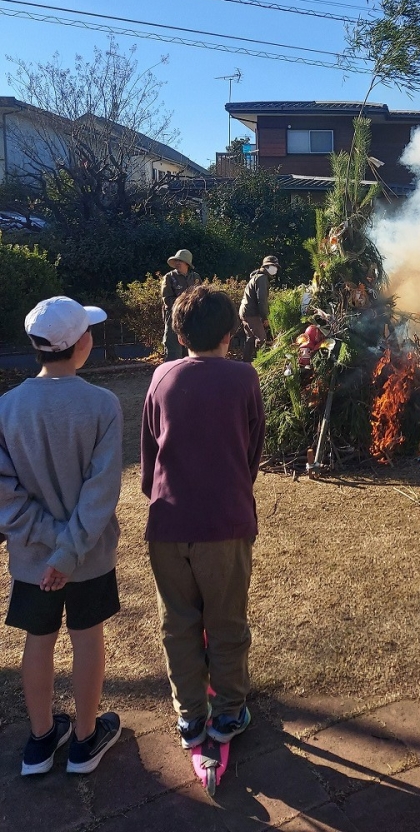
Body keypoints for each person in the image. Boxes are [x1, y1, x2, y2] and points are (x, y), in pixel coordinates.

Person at [0, 296, 123, 776]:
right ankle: (86, 741)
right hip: (87, 556)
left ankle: (40, 741)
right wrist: (69, 550)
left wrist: (51, 547)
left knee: (39, 638)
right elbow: (101, 491)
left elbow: (6, 497)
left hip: (33, 559)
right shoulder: (102, 404)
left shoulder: (7, 408)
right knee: (87, 638)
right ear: (83, 344)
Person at [141, 286, 266, 750]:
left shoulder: (160, 377)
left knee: (178, 623)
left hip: (168, 522)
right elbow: (253, 449)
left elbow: (149, 453)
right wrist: (234, 488)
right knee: (227, 620)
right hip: (225, 520)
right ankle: (229, 710)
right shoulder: (243, 379)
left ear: (178, 331)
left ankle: (190, 715)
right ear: (230, 333)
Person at [160, 248, 201, 361]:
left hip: (191, 318)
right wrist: (185, 304)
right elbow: (167, 300)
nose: (177, 263)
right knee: (173, 350)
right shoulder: (169, 277)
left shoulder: (195, 277)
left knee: (190, 349)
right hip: (174, 317)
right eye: (176, 261)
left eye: (180, 261)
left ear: (187, 264)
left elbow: (201, 296)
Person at [239, 256, 279, 362]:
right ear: (266, 266)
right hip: (251, 313)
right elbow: (261, 300)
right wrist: (265, 317)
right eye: (273, 266)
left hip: (245, 311)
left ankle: (246, 363)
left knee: (250, 338)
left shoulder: (257, 276)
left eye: (276, 266)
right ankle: (262, 363)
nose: (275, 269)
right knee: (262, 339)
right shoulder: (262, 278)